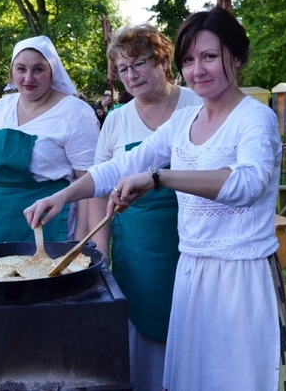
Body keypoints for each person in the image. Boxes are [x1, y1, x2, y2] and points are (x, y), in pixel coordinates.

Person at [25, 7, 286, 390]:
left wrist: (159, 177)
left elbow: (246, 184)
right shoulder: (183, 122)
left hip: (241, 273)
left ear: (237, 57)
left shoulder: (254, 117)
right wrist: (62, 195)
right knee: (193, 379)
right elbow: (119, 166)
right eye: (189, 59)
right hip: (192, 270)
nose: (197, 69)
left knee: (236, 378)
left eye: (209, 57)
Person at [89, 23, 203, 390]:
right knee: (143, 325)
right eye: (122, 69)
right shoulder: (116, 121)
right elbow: (99, 187)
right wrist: (100, 250)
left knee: (195, 322)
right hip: (137, 245)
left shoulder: (197, 104)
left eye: (138, 63)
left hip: (194, 239)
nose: (130, 76)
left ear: (163, 60)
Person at [0, 35, 99, 246]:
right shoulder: (0, 109)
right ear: (12, 72)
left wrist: (80, 241)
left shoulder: (75, 113)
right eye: (21, 69)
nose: (28, 78)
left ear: (52, 72)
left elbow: (88, 183)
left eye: (38, 69)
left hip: (44, 227)